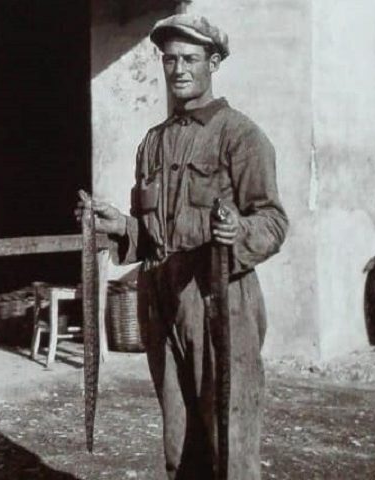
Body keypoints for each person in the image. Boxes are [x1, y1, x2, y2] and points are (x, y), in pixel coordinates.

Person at [77, 5, 288, 479]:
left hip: (220, 302)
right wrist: (118, 226)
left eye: (190, 59)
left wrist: (240, 233)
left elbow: (273, 221)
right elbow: (153, 237)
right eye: (170, 59)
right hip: (163, 303)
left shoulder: (242, 137)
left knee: (229, 445)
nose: (179, 69)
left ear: (214, 62)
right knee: (180, 448)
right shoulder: (152, 144)